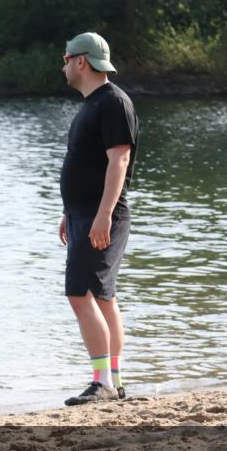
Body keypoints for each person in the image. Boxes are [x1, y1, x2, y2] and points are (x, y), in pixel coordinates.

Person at [58, 32, 139, 406]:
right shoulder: (92, 104)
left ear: (81, 62)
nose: (63, 65)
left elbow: (118, 159)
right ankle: (114, 381)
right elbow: (88, 163)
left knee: (81, 294)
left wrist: (103, 215)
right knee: (102, 297)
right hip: (83, 214)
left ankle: (103, 382)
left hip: (100, 214)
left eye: (66, 58)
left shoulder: (113, 102)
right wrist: (68, 211)